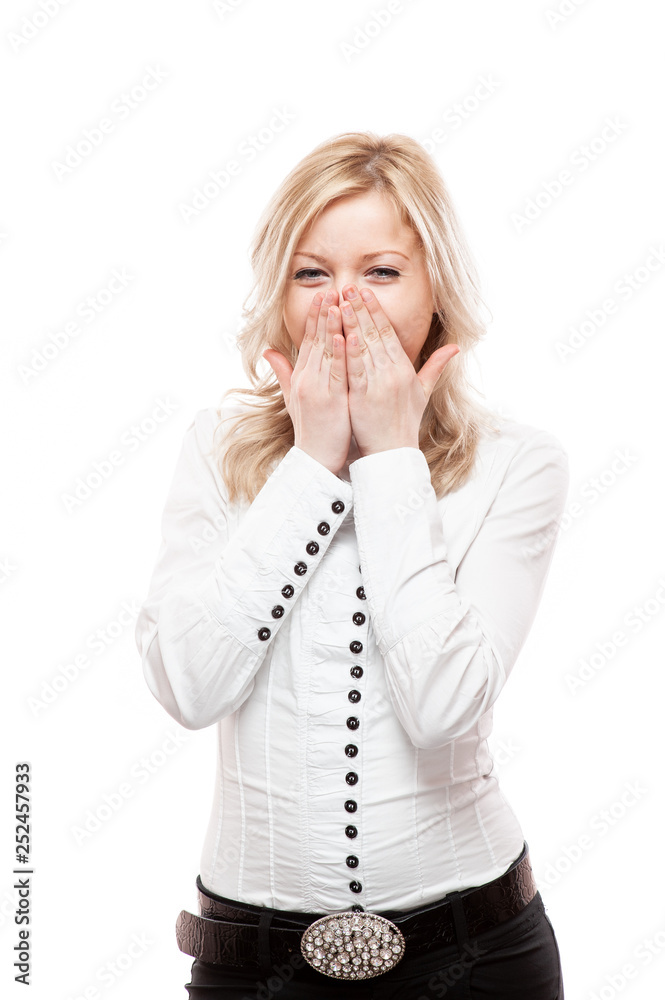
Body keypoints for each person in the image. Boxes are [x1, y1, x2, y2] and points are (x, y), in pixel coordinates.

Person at [134, 131, 568, 998]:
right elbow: (186, 686)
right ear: (279, 294)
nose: (343, 304)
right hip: (250, 966)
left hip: (477, 958)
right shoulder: (214, 448)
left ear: (434, 289)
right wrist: (311, 462)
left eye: (380, 271)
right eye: (310, 273)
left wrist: (389, 460)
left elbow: (444, 704)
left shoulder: (518, 462)